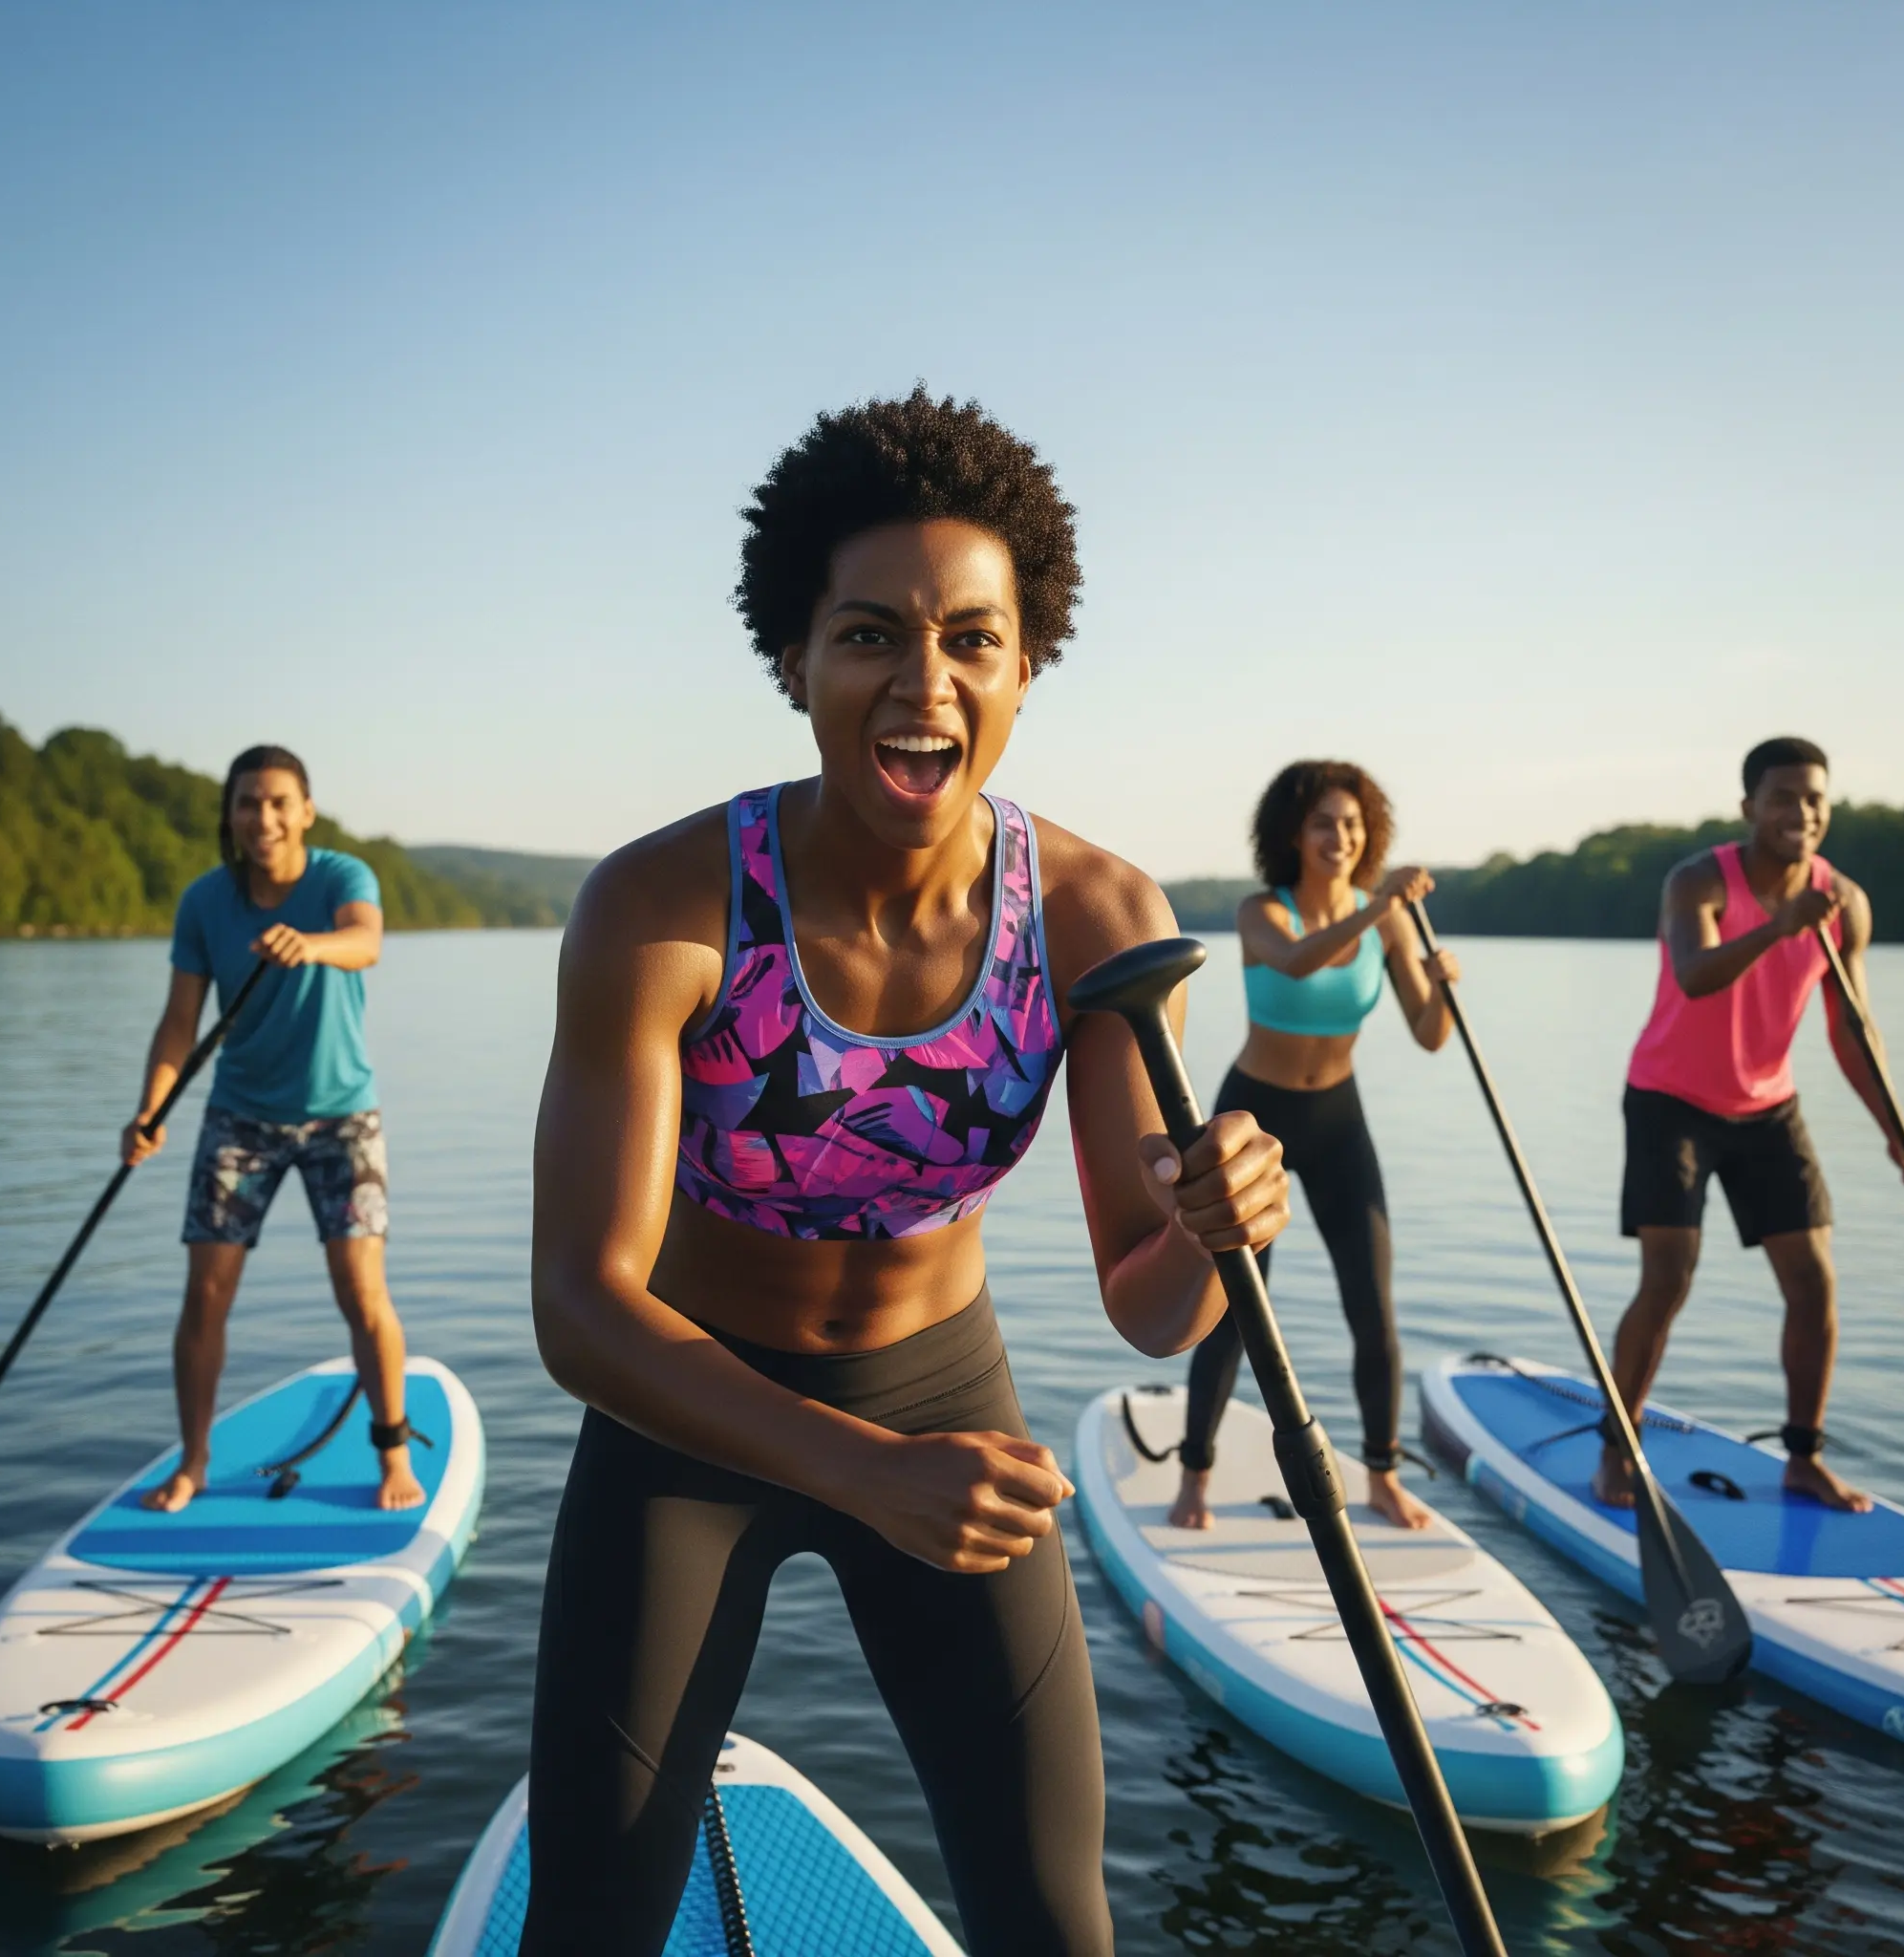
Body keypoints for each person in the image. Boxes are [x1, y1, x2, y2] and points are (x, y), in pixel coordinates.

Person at [522, 388, 1290, 1956]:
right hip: (685, 1411)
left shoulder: (1093, 915)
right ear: (793, 658)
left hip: (941, 1396)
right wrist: (858, 1471)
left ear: (1024, 663)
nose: (918, 684)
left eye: (969, 639)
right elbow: (579, 1311)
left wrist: (1217, 1234)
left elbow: (1149, 1310)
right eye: (867, 633)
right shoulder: (663, 905)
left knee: (1048, 1916)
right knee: (593, 1915)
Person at [1596, 736, 1904, 1514]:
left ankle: (1803, 1458)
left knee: (1814, 1284)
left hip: (1768, 1106)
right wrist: (1779, 927)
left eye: (1814, 798)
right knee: (1668, 1277)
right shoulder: (1699, 880)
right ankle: (1619, 1449)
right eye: (1783, 798)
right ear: (1749, 808)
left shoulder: (1845, 904)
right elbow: (1695, 976)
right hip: (1669, 1099)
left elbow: (1852, 1030)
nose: (1800, 813)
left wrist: (1896, 1131)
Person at [122, 745, 423, 1515]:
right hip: (241, 1118)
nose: (264, 817)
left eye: (279, 801)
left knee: (362, 1292)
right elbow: (178, 1024)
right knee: (206, 1296)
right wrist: (151, 1109)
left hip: (342, 1117)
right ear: (230, 813)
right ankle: (192, 1463)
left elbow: (366, 942)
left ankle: (391, 1449)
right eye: (249, 802)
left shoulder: (340, 878)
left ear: (306, 811)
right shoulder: (204, 902)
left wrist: (311, 944)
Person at [1167, 760, 1461, 1536]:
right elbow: (1299, 960)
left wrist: (1443, 987)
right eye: (1325, 823)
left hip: (1339, 1120)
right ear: (1293, 834)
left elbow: (1430, 1037)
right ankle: (1194, 1473)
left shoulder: (1386, 918)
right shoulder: (1264, 910)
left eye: (1354, 825)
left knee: (1372, 1305)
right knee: (1235, 1308)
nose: (1341, 837)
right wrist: (1382, 910)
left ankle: (1383, 1476)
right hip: (1251, 1121)